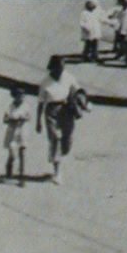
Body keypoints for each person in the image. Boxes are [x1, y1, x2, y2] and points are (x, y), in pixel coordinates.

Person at [36, 54, 85, 185]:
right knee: (55, 140)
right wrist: (38, 121)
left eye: (63, 68)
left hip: (66, 109)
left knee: (67, 141)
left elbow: (79, 90)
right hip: (51, 112)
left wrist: (82, 101)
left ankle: (58, 152)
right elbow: (41, 102)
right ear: (53, 68)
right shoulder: (45, 82)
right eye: (59, 68)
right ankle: (57, 172)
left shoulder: (68, 77)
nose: (61, 71)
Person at [2, 84, 33, 184]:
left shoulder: (26, 106)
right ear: (14, 95)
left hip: (22, 130)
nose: (21, 97)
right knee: (13, 154)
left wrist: (23, 118)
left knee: (22, 153)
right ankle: (9, 171)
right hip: (12, 132)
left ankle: (22, 177)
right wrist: (12, 119)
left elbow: (29, 117)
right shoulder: (10, 107)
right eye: (19, 94)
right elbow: (5, 119)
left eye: (23, 94)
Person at [78, 0, 104, 64]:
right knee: (88, 45)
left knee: (95, 45)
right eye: (89, 4)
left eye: (93, 5)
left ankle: (94, 56)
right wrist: (86, 28)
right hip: (88, 32)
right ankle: (85, 56)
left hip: (95, 32)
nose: (92, 6)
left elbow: (101, 19)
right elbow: (81, 23)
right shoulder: (84, 13)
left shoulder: (96, 13)